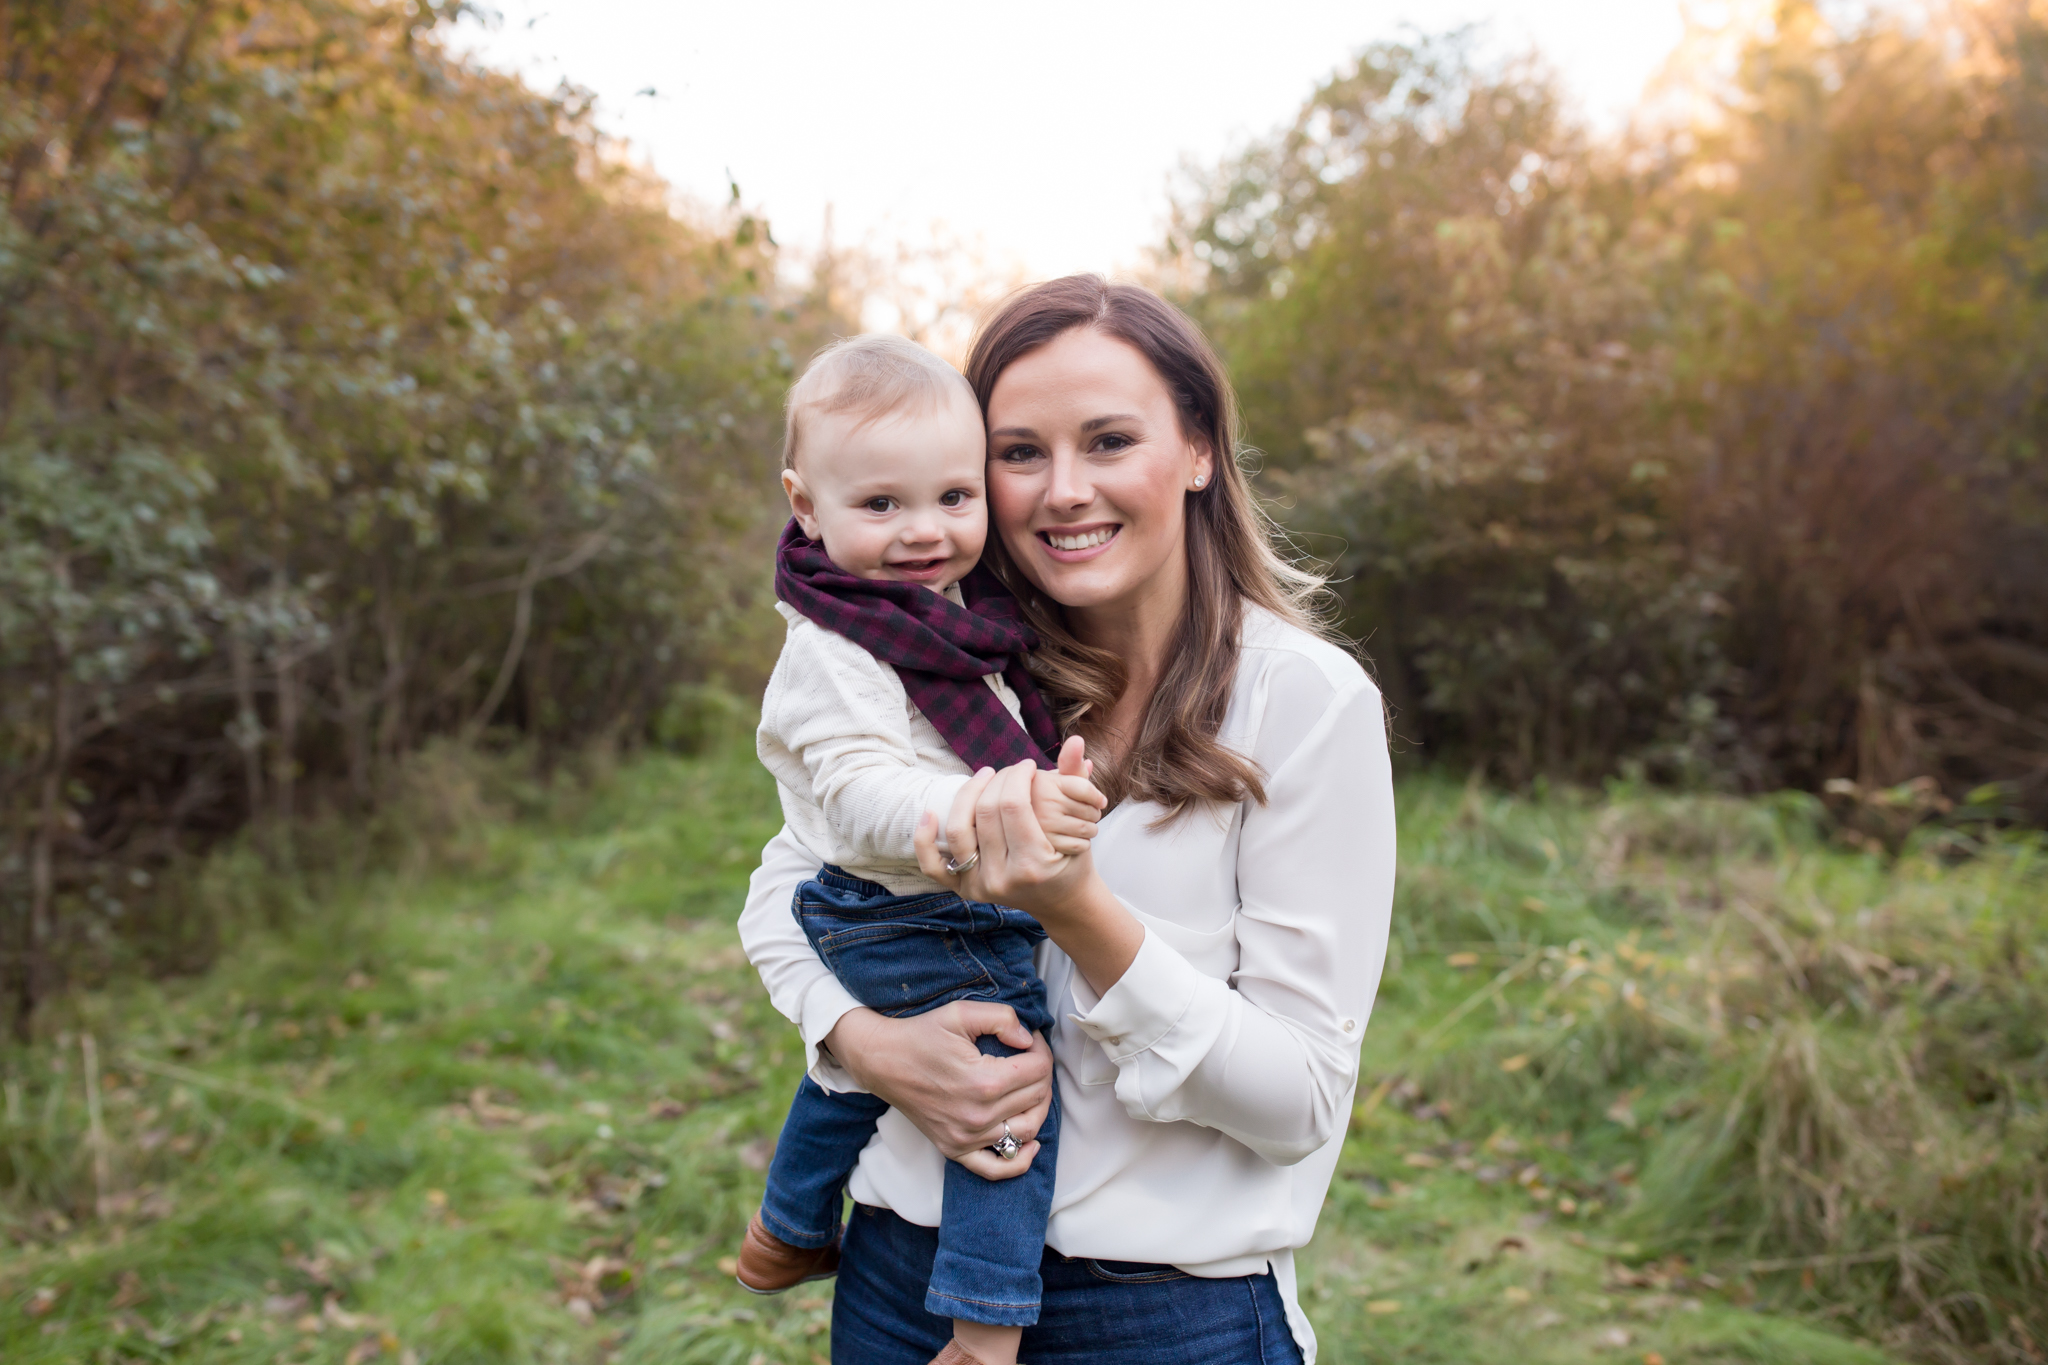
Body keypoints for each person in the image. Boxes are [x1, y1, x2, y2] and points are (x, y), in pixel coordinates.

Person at [739, 277, 1396, 1365]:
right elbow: (786, 892)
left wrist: (1076, 908)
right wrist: (866, 1046)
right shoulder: (950, 662)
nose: (1062, 491)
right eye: (1019, 452)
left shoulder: (1301, 702)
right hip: (896, 1281)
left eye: (1106, 441)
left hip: (1161, 1317)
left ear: (1195, 451)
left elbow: (1295, 1103)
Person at [737, 333, 1109, 1365]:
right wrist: (987, 810)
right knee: (1005, 1086)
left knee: (857, 1073)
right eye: (881, 505)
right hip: (907, 900)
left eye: (953, 498)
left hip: (901, 902)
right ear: (802, 503)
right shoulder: (833, 649)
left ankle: (788, 1227)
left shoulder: (939, 620)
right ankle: (985, 1329)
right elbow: (858, 792)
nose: (923, 532)